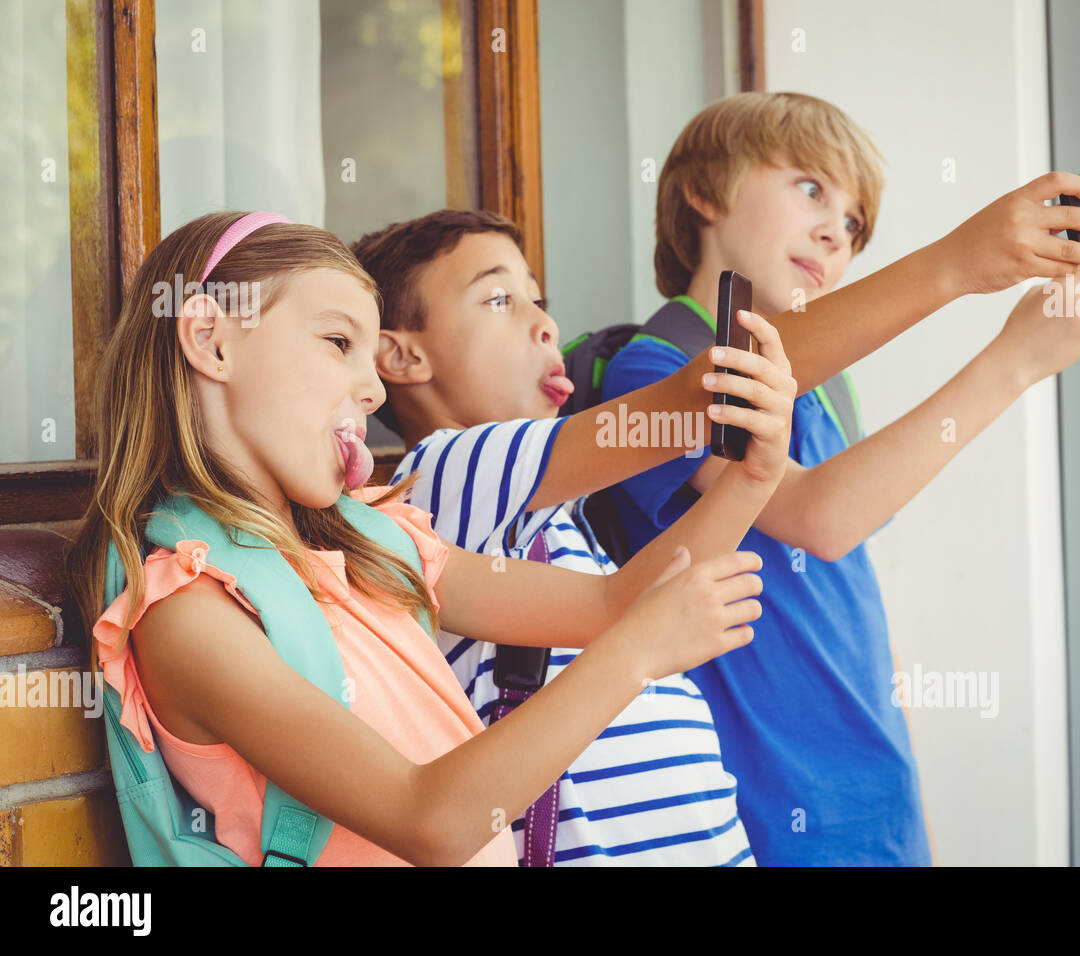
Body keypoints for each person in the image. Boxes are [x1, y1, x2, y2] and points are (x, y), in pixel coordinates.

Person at [67, 210, 789, 866]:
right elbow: (429, 820)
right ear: (210, 341)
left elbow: (616, 604)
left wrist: (751, 480)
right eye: (337, 341)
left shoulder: (373, 545)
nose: (373, 388)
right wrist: (636, 655)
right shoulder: (187, 611)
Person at [599, 91, 1080, 865]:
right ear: (704, 192)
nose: (833, 231)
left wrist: (910, 810)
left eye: (853, 223)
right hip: (764, 811)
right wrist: (1014, 361)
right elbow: (819, 517)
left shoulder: (815, 386)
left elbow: (852, 605)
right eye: (811, 188)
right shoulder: (655, 368)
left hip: (878, 808)